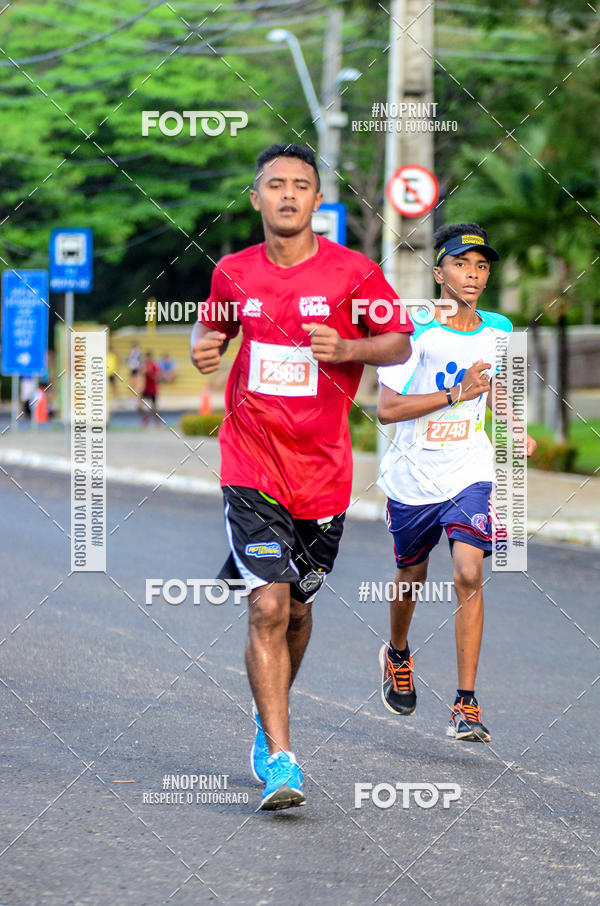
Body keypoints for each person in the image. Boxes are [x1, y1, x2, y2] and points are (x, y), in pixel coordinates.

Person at [191, 143, 413, 810]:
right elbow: (214, 333)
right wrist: (204, 347)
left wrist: (350, 348)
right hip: (252, 463)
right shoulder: (232, 273)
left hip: (323, 475)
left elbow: (399, 341)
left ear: (319, 201)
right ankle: (282, 760)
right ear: (256, 197)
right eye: (275, 184)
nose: (288, 195)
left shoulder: (355, 272)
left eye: (302, 186)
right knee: (267, 601)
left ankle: (268, 717)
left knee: (298, 608)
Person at [376, 222, 537, 743]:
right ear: (439, 270)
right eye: (462, 264)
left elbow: (501, 393)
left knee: (469, 571)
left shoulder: (500, 328)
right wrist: (457, 396)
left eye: (483, 266)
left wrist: (517, 432)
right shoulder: (413, 327)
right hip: (412, 476)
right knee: (411, 577)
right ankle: (397, 651)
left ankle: (465, 703)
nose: (473, 274)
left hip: (470, 469)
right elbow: (387, 409)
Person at [141, 351, 160, 426]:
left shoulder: (154, 366)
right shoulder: (144, 366)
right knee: (138, 406)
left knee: (154, 408)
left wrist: (150, 373)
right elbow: (141, 376)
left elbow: (157, 378)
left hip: (152, 390)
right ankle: (146, 417)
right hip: (145, 389)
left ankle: (157, 421)